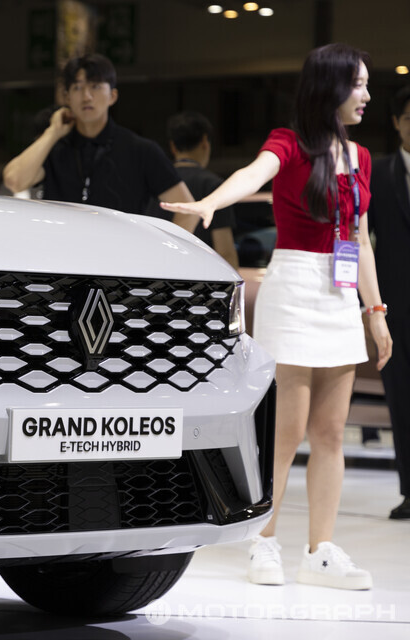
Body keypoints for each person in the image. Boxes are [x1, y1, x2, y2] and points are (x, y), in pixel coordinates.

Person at [163, 43, 392, 590]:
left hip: (339, 296)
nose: (366, 95)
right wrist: (212, 202)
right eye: (358, 84)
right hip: (293, 289)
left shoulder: (360, 157)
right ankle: (263, 540)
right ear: (331, 87)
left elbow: (360, 240)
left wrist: (376, 310)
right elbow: (252, 173)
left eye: (365, 84)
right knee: (285, 433)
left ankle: (320, 552)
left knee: (331, 433)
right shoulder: (288, 142)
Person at [2, 53, 199, 232]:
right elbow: (14, 180)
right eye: (77, 87)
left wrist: (157, 255)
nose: (86, 96)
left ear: (112, 96)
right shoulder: (56, 147)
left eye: (95, 86)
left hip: (121, 256)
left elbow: (189, 210)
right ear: (67, 97)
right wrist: (52, 132)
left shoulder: (140, 150)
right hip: (62, 254)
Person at [367, 84, 410, 520]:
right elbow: (362, 239)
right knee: (402, 400)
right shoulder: (378, 173)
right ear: (397, 123)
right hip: (395, 308)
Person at [164, 111, 240, 268]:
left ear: (172, 146)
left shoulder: (156, 182)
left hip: (156, 271)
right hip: (199, 276)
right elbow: (225, 251)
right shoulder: (214, 186)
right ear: (205, 142)